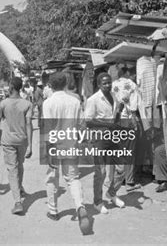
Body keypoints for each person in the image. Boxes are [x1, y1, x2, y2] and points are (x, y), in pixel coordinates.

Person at [42, 72, 90, 235]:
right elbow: (82, 124)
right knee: (73, 178)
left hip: (55, 146)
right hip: (71, 144)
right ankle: (80, 207)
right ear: (65, 84)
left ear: (51, 85)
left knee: (52, 178)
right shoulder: (75, 101)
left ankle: (53, 211)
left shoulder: (48, 103)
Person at [85, 72, 126, 214]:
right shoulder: (93, 99)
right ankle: (97, 202)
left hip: (113, 138)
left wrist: (119, 112)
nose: (108, 85)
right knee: (101, 172)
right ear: (99, 85)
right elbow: (88, 121)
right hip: (99, 139)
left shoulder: (115, 96)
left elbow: (115, 119)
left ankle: (111, 193)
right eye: (105, 83)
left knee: (122, 168)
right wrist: (108, 124)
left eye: (109, 82)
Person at [0, 77, 33, 215]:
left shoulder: (3, 104)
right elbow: (29, 124)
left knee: (12, 169)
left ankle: (17, 202)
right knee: (20, 165)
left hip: (8, 141)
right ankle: (20, 188)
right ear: (21, 87)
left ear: (11, 87)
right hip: (22, 140)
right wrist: (30, 145)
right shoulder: (27, 104)